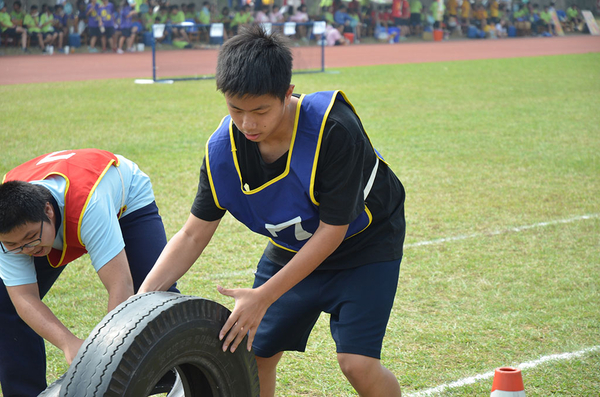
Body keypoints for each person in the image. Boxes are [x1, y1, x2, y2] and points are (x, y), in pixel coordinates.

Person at [138, 25, 406, 397]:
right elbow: (192, 233)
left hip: (364, 246)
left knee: (357, 364)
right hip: (293, 247)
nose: (248, 123)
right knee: (254, 353)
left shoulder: (333, 130)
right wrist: (142, 299)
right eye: (236, 109)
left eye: (261, 110)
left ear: (287, 93)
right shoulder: (222, 151)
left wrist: (263, 296)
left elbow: (332, 230)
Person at [0, 149, 179, 397]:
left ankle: (178, 374)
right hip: (59, 214)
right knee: (5, 304)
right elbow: (23, 298)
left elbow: (120, 287)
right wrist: (69, 343)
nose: (26, 249)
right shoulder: (8, 231)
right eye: (13, 245)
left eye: (31, 238)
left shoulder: (90, 205)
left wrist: (104, 356)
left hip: (123, 201)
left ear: (48, 211)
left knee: (154, 293)